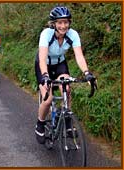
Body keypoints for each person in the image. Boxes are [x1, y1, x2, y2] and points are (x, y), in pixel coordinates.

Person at [34, 6, 97, 144]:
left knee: (66, 89)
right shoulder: (46, 34)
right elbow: (42, 58)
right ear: (54, 24)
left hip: (60, 64)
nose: (63, 26)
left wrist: (87, 73)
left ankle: (67, 122)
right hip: (44, 65)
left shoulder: (73, 34)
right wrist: (45, 76)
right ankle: (40, 124)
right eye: (60, 22)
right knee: (48, 99)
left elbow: (79, 56)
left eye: (66, 22)